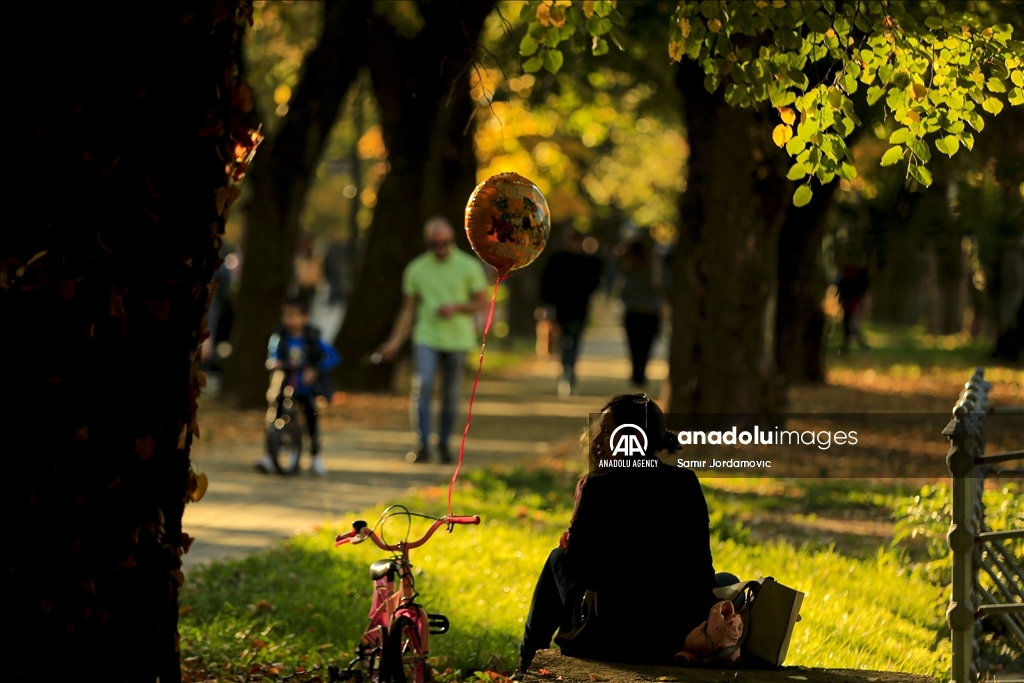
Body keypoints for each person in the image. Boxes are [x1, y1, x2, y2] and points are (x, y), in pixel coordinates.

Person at [515, 394, 727, 674]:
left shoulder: (597, 486)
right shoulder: (686, 482)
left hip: (612, 636)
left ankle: (525, 664)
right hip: (672, 635)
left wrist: (573, 547)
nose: (596, 441)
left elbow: (580, 569)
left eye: (606, 432)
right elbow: (701, 572)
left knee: (557, 558)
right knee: (726, 581)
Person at [377, 217, 488, 463]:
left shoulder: (469, 266)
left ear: (453, 240)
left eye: (445, 242)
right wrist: (394, 342)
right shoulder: (417, 269)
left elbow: (482, 302)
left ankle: (445, 444)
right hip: (426, 336)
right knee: (423, 385)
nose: (441, 248)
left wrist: (457, 308)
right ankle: (423, 444)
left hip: (458, 339)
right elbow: (408, 310)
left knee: (450, 394)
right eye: (435, 244)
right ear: (428, 243)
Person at [256, 297, 340, 476]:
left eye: (294, 316)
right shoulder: (280, 336)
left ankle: (315, 455)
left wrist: (316, 370)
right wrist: (278, 364)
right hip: (284, 384)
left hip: (305, 387)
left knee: (311, 417)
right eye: (287, 315)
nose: (290, 320)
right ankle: (270, 455)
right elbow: (272, 358)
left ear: (305, 317)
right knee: (273, 415)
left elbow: (332, 357)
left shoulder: (313, 337)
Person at [540, 229, 604, 396]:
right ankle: (567, 373)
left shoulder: (572, 261)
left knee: (570, 343)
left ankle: (568, 373)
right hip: (567, 309)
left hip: (575, 309)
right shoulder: (567, 260)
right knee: (567, 343)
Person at [617, 237, 664, 390]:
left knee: (634, 347)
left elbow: (622, 292)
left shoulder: (628, 268)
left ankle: (637, 377)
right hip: (650, 313)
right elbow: (664, 287)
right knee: (646, 348)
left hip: (633, 313)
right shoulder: (654, 268)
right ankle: (640, 376)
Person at [836, 263, 870, 352]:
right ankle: (849, 346)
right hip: (850, 304)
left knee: (850, 326)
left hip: (851, 304)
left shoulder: (849, 278)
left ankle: (851, 346)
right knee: (849, 326)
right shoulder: (850, 278)